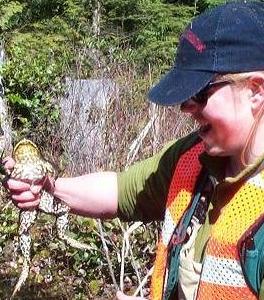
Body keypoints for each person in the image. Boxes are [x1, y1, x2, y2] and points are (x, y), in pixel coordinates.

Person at [4, 1, 264, 299]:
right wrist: (48, 187)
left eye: (198, 93)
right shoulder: (193, 158)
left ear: (255, 91)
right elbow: (121, 191)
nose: (186, 108)